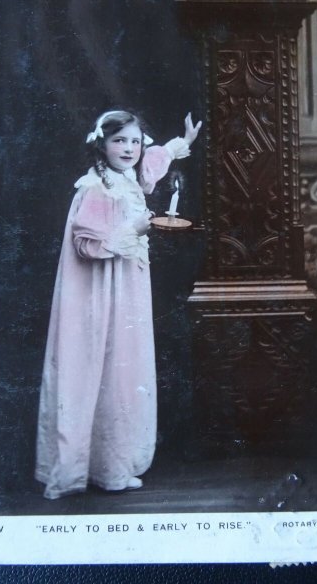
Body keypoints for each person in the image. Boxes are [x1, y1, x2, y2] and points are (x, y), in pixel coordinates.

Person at [35, 109, 201, 499]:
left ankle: (115, 461)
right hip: (99, 292)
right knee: (104, 365)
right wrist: (135, 228)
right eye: (118, 141)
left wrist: (182, 144)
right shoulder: (96, 188)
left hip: (126, 288)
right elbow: (88, 244)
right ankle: (104, 469)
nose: (129, 148)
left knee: (125, 368)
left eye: (134, 141)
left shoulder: (126, 178)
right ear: (101, 144)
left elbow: (151, 165)